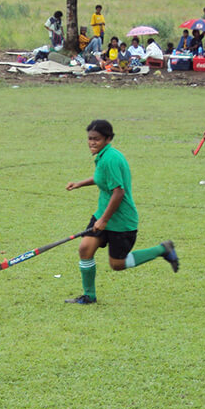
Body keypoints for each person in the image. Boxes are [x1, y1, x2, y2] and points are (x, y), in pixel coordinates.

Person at [62, 119, 178, 305]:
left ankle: (162, 249)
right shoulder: (103, 156)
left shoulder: (111, 159)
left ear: (108, 139)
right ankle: (89, 296)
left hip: (121, 221)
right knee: (85, 249)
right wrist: (80, 184)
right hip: (103, 214)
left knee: (117, 265)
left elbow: (119, 191)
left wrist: (104, 220)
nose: (92, 142)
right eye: (90, 138)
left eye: (97, 139)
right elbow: (102, 178)